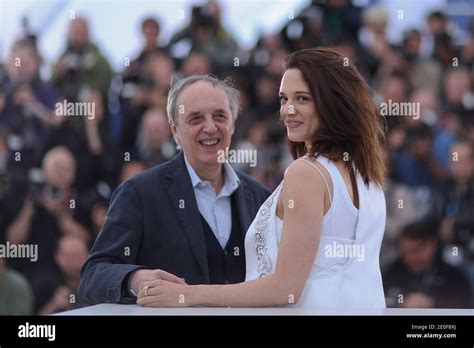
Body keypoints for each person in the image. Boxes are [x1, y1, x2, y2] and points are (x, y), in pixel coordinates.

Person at [134, 47, 387, 308]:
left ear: (333, 101)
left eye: (302, 99)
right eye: (283, 99)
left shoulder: (307, 174)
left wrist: (187, 295)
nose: (288, 110)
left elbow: (285, 288)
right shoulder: (366, 174)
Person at [78, 75, 271, 304]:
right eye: (195, 118)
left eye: (220, 115)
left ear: (233, 123)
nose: (210, 127)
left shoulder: (261, 198)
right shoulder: (138, 193)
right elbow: (92, 276)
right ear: (175, 130)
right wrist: (134, 279)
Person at [384, 222, 471, 308]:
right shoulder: (393, 271)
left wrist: (432, 303)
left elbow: (464, 304)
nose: (410, 258)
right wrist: (401, 303)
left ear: (432, 245)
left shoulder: (452, 276)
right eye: (404, 252)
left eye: (416, 250)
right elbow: (381, 300)